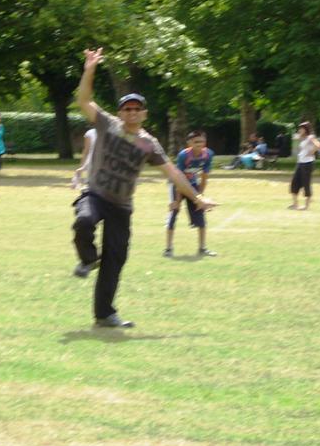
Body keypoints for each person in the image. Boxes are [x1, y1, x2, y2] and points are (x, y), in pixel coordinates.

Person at [71, 48, 217, 329]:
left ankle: (104, 315)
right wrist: (89, 68)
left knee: (116, 258)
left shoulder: (149, 144)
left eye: (137, 109)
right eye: (127, 108)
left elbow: (172, 171)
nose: (132, 113)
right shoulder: (107, 124)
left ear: (144, 114)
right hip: (96, 194)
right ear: (120, 112)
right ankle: (89, 259)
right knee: (83, 221)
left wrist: (196, 196)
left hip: (121, 206)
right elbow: (84, 99)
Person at [165, 130, 216, 258]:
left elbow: (204, 178)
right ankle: (168, 248)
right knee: (173, 214)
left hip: (193, 185)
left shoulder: (208, 155)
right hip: (177, 184)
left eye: (202, 141)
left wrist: (200, 198)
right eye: (196, 141)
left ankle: (202, 248)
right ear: (189, 143)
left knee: (200, 215)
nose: (200, 144)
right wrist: (177, 200)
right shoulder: (184, 155)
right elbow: (178, 178)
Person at [289, 121, 320, 210]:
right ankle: (295, 204)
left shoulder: (310, 137)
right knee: (294, 182)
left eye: (301, 128)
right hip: (300, 163)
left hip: (307, 164)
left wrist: (312, 152)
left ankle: (306, 206)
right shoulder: (303, 138)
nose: (300, 129)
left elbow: (318, 145)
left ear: (306, 129)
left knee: (306, 183)